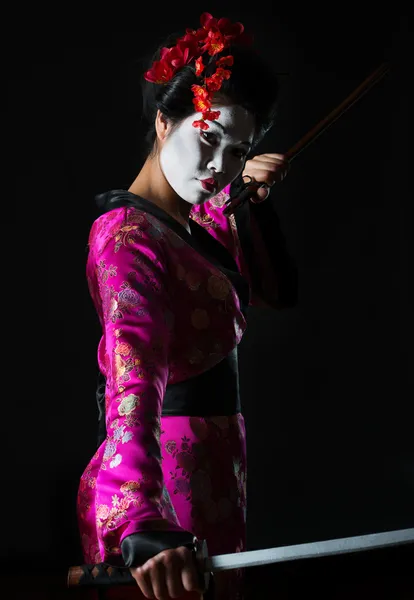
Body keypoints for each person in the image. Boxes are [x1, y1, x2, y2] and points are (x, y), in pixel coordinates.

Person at [77, 11, 297, 600]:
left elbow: (275, 294)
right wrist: (140, 520)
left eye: (238, 150)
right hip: (163, 472)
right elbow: (133, 381)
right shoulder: (127, 236)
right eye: (208, 138)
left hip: (218, 462)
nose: (219, 167)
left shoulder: (200, 224)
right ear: (162, 121)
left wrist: (255, 206)